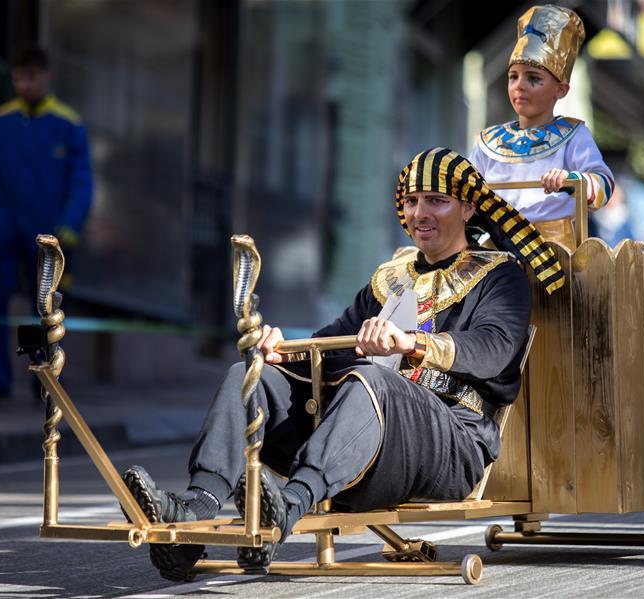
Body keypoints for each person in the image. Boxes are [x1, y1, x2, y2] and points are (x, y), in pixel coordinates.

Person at [121, 148, 564, 581]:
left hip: (453, 445)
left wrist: (410, 342)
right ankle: (193, 515)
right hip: (369, 445)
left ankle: (289, 506)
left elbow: (494, 348)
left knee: (371, 378)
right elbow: (330, 346)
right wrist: (282, 351)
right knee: (251, 376)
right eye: (412, 201)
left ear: (467, 208)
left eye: (436, 200)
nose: (420, 213)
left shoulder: (501, 274)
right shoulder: (391, 277)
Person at [0, 46, 92, 402]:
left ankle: (45, 381)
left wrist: (70, 225)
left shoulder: (68, 124)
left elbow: (81, 182)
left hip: (48, 235)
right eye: (20, 78)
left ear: (46, 77)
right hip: (2, 229)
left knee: (46, 309)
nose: (26, 84)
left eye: (32, 78)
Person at [468, 4, 614, 248]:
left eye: (533, 78)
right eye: (513, 77)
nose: (519, 85)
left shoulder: (573, 135)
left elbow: (604, 188)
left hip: (555, 250)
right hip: (496, 248)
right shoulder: (488, 141)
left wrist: (571, 180)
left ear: (561, 90)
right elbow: (464, 193)